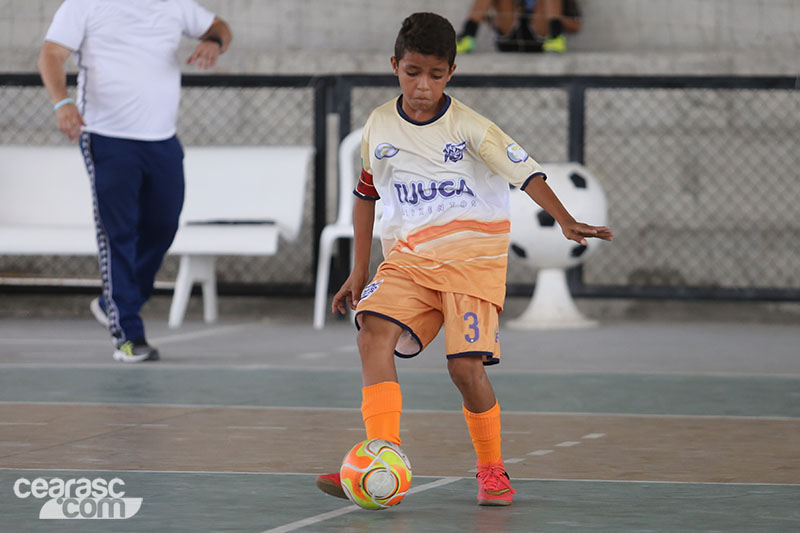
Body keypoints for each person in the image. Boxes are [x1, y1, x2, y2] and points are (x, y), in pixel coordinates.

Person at [315, 12, 611, 506]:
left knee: (465, 369)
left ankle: (492, 470)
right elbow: (366, 194)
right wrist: (359, 268)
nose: (423, 86)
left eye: (435, 74)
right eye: (413, 73)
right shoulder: (379, 125)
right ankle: (381, 455)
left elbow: (528, 174)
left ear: (450, 72)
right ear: (395, 66)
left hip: (472, 266)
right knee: (372, 335)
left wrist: (564, 218)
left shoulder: (472, 128)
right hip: (408, 262)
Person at [37, 0, 232, 363]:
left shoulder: (174, 5)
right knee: (119, 232)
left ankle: (114, 301)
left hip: (161, 140)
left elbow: (219, 25)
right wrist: (61, 102)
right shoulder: (83, 6)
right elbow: (51, 54)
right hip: (106, 136)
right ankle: (128, 331)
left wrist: (214, 43)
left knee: (163, 225)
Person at [456, 0, 582, 53]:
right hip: (510, 33)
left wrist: (549, 17)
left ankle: (556, 37)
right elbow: (486, 17)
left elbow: (575, 25)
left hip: (541, 38)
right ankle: (468, 36)